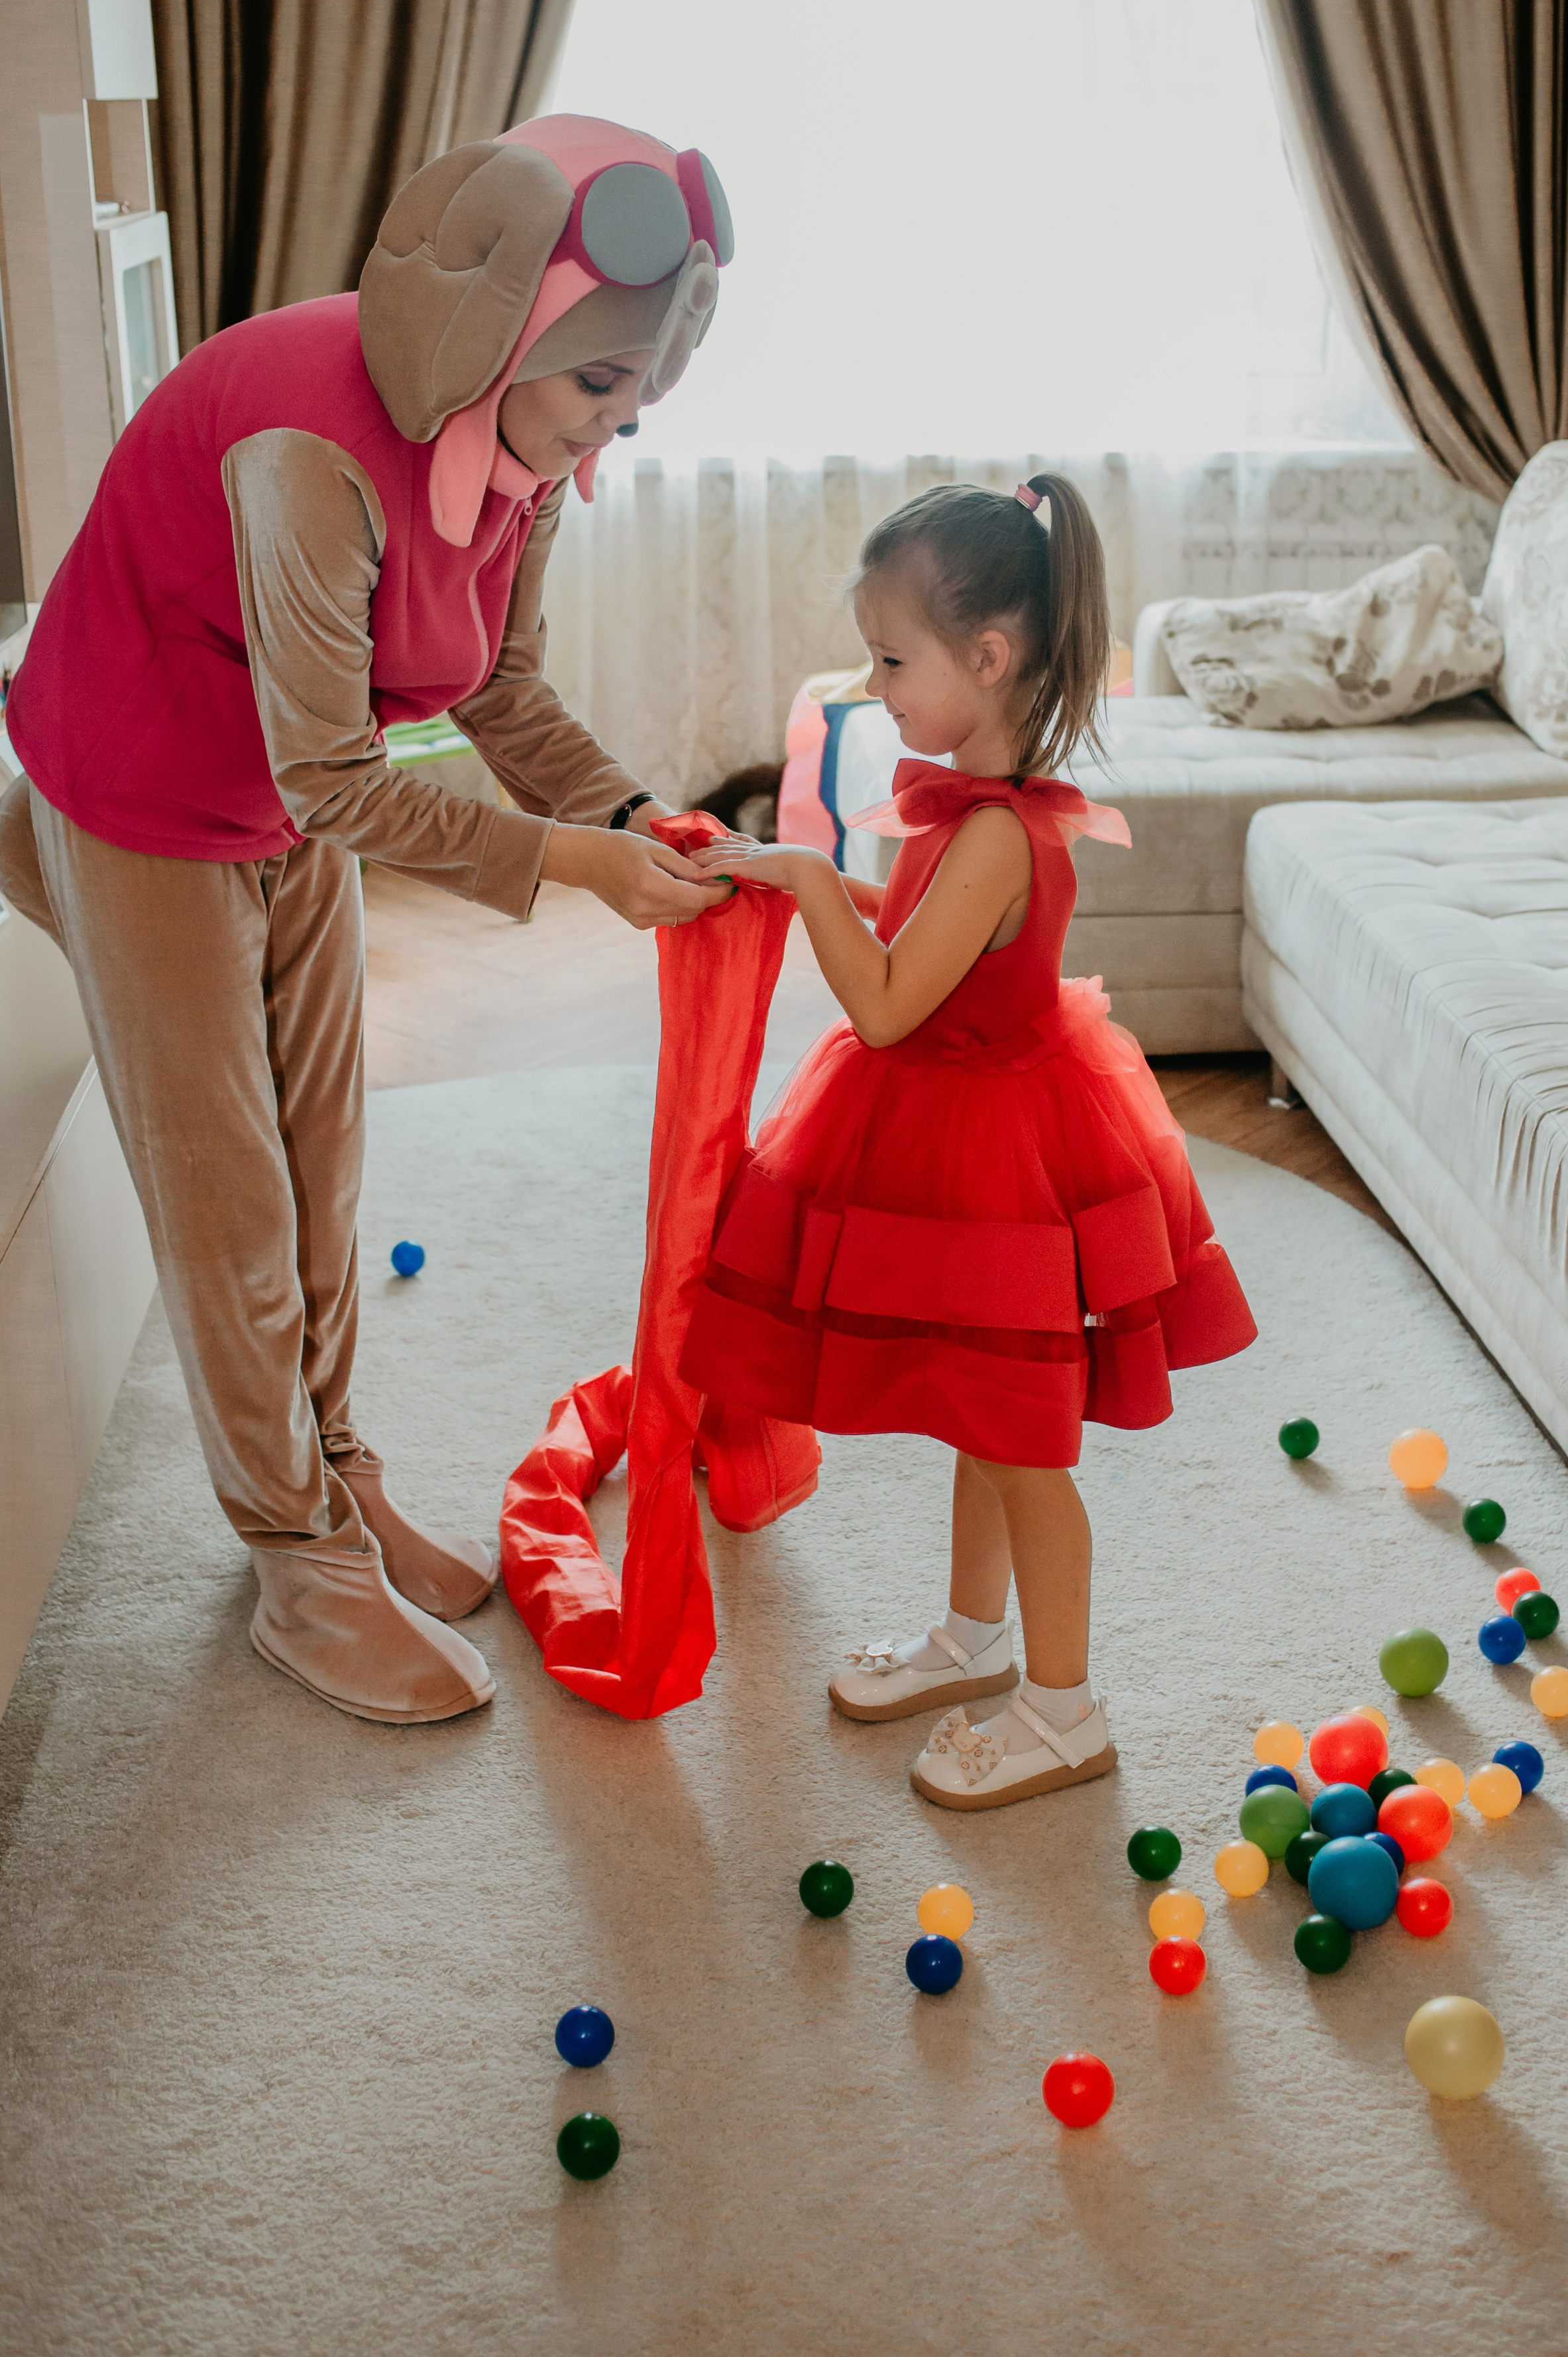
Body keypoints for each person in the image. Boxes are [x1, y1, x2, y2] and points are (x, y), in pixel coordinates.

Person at [0, 115, 731, 1727]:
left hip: (281, 797)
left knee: (322, 1161)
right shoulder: (309, 453)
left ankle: (335, 1482)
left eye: (639, 400)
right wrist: (565, 868)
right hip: (139, 796)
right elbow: (337, 777)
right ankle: (293, 1568)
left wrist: (624, 819)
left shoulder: (523, 453)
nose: (607, 441)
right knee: (231, 1205)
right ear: (509, 331)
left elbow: (502, 687)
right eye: (595, 390)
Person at [680, 477, 1257, 1810]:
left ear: (986, 660)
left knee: (1019, 1444)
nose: (871, 683)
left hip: (987, 1150)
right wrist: (802, 873)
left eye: (891, 659)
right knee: (973, 1410)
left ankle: (1063, 1711)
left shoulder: (995, 831)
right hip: (962, 1111)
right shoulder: (974, 812)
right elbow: (924, 933)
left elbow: (884, 1006)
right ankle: (972, 1640)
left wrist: (818, 881)